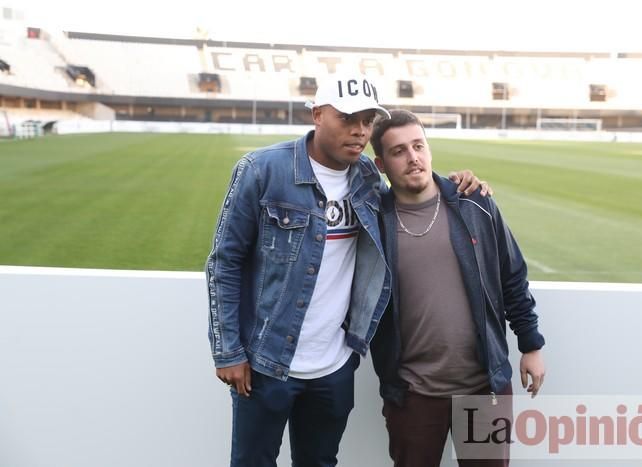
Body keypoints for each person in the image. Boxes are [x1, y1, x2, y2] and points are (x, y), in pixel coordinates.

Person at [205, 75, 488, 467]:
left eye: (367, 121)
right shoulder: (261, 170)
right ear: (318, 115)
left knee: (320, 463)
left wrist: (459, 183)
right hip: (265, 362)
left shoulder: (368, 180)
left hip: (334, 365)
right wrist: (228, 351)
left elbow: (416, 187)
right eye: (348, 118)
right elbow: (225, 261)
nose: (359, 130)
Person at [369, 109, 546, 467]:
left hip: (484, 388)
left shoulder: (475, 203)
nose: (413, 156)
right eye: (399, 150)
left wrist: (531, 345)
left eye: (418, 145)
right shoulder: (373, 221)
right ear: (382, 164)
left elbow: (512, 277)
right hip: (413, 393)